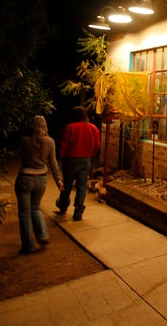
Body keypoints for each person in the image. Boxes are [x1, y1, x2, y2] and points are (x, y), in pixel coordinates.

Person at [16, 115, 64, 254]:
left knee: (24, 213)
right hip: (41, 179)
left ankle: (28, 245)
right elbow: (53, 163)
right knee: (35, 209)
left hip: (25, 178)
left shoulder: (24, 141)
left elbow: (20, 155)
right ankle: (42, 235)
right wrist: (58, 181)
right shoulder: (50, 141)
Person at [56, 105, 101, 221]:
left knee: (67, 185)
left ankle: (63, 206)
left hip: (70, 160)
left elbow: (63, 145)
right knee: (81, 186)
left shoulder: (69, 127)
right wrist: (90, 154)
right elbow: (97, 145)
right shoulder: (93, 128)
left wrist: (61, 156)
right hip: (86, 160)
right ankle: (78, 212)